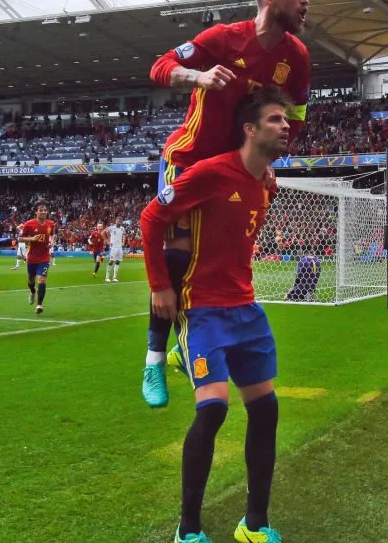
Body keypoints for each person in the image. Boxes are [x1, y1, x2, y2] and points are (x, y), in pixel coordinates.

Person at [142, 0, 311, 408]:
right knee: (176, 255)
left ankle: (190, 348)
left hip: (238, 170)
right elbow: (159, 66)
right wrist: (197, 77)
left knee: (221, 258)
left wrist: (272, 159)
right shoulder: (223, 38)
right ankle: (154, 359)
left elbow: (296, 115)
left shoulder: (298, 57)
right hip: (189, 158)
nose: (306, 0)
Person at [140, 87, 290, 543]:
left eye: (286, 120)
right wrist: (160, 285)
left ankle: (255, 526)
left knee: (266, 411)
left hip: (247, 309)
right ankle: (188, 530)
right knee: (214, 411)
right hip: (203, 309)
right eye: (275, 120)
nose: (286, 127)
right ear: (249, 129)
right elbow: (151, 218)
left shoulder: (266, 184)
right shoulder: (210, 173)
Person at [105, 216, 126, 283]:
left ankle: (114, 277)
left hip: (119, 247)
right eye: (118, 220)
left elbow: (124, 235)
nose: (119, 221)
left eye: (120, 220)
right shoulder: (112, 227)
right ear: (115, 221)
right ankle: (107, 277)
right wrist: (107, 242)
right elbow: (102, 233)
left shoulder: (122, 228)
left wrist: (123, 242)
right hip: (113, 247)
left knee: (118, 261)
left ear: (121, 221)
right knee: (111, 261)